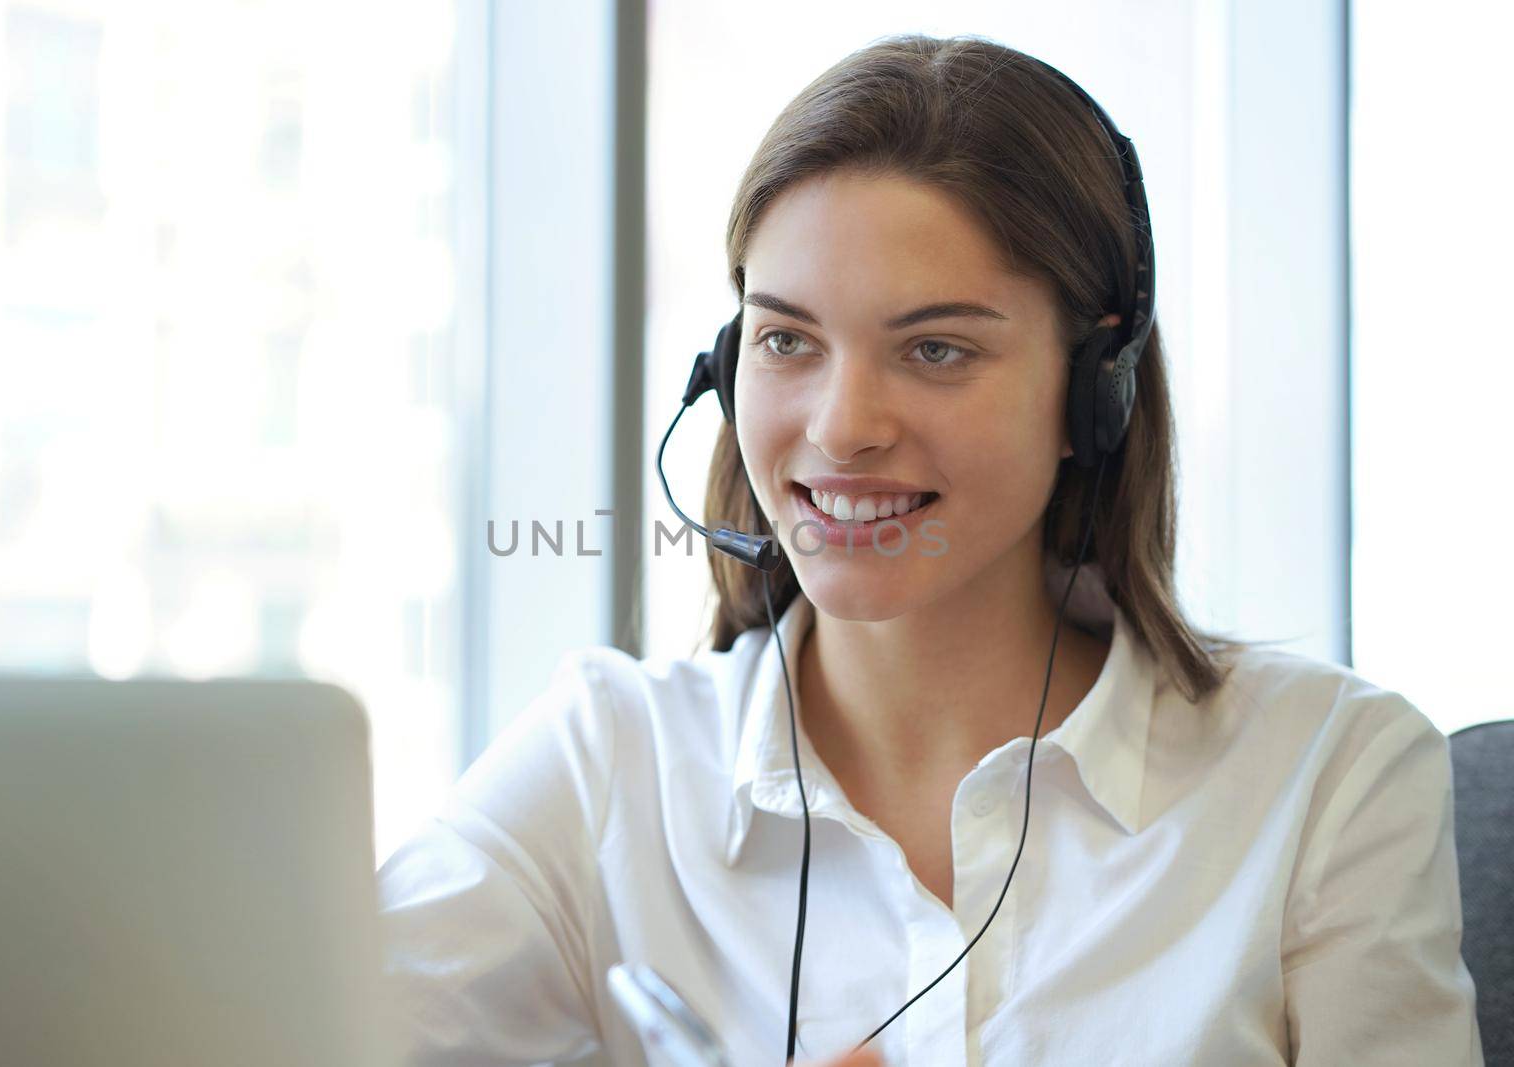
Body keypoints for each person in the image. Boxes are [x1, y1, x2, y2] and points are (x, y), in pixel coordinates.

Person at [375, 34, 1484, 1066]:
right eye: (787, 339)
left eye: (937, 347)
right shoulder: (608, 760)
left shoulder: (1327, 776)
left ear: (1092, 392)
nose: (841, 423)